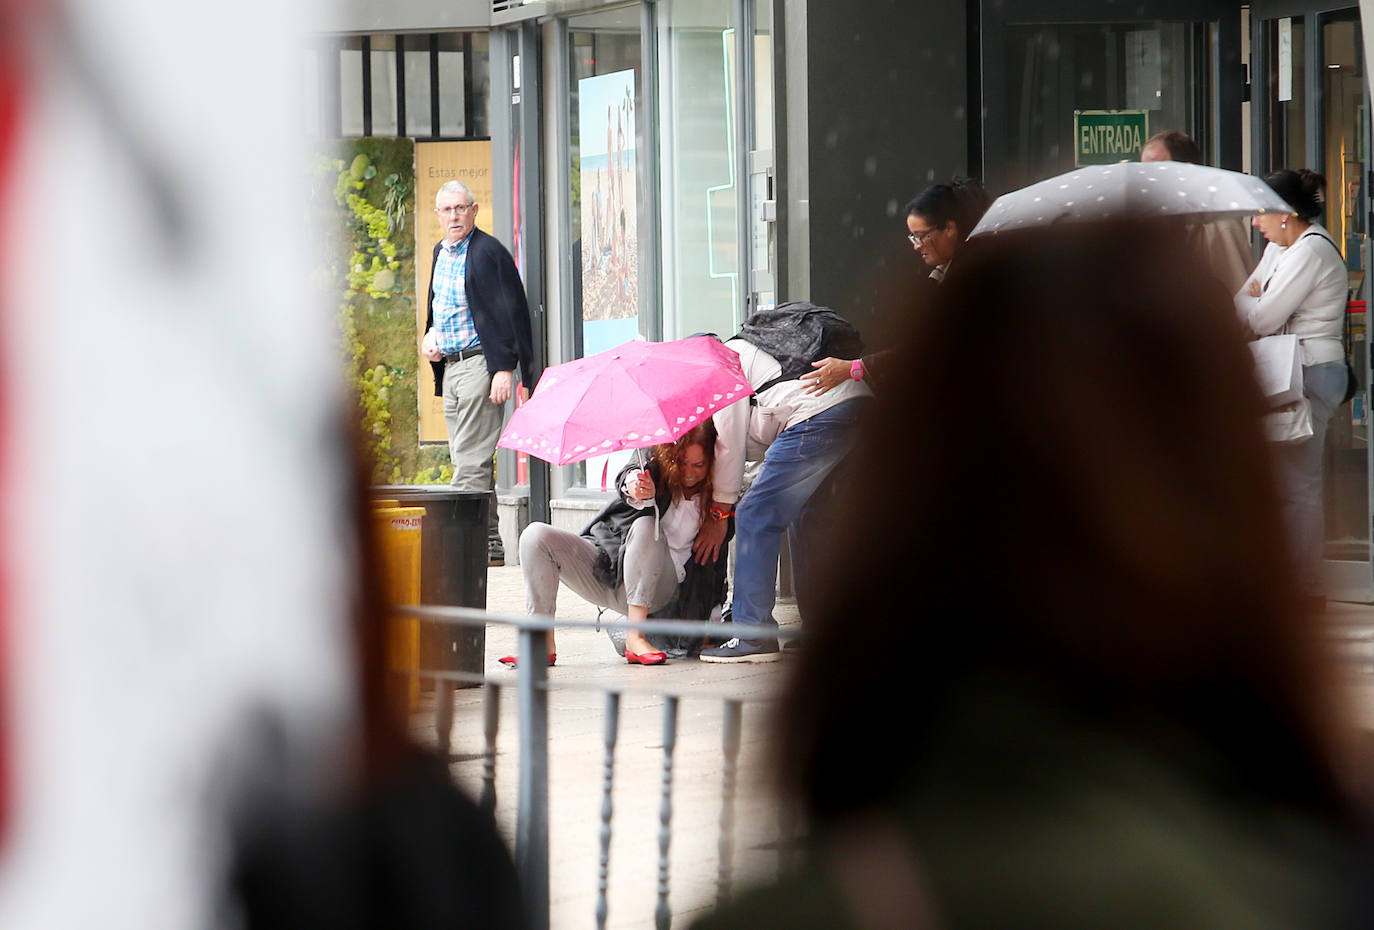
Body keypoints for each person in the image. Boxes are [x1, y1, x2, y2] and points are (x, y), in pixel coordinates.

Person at [692, 220, 1368, 930]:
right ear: (1239, 513)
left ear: (896, 517)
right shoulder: (1324, 880)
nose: (918, 245)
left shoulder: (810, 908)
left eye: (925, 233)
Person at [696, 332, 872, 663]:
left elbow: (731, 447)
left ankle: (753, 635)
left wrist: (719, 513)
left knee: (755, 514)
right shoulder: (747, 351)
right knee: (810, 517)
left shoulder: (718, 366)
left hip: (819, 416)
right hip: (856, 408)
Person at [511, 423, 727, 668]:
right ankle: (541, 642)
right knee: (535, 535)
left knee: (648, 527)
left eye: (698, 465)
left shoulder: (718, 507)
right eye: (682, 463)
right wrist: (636, 485)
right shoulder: (656, 466)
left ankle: (636, 636)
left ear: (712, 462)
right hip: (613, 569)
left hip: (659, 591)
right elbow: (631, 472)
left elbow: (714, 569)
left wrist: (711, 623)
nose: (688, 472)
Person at [1235, 169, 1349, 609]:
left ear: (1286, 213)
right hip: (1292, 373)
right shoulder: (1280, 249)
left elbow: (1260, 317)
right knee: (1286, 485)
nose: (1254, 222)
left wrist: (1255, 299)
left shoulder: (1310, 252)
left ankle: (1305, 589)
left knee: (1297, 486)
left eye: (1261, 212)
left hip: (1310, 374)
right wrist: (1254, 299)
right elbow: (1240, 301)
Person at [421, 179, 536, 567]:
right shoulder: (442, 251)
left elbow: (510, 310)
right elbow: (441, 306)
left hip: (479, 365)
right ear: (438, 215)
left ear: (474, 210)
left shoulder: (487, 253)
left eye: (460, 208)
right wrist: (430, 337)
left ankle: (456, 549)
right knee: (469, 457)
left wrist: (504, 367)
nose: (454, 215)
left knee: (469, 462)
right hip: (451, 367)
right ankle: (488, 542)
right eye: (447, 210)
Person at [801, 178, 988, 395]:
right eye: (913, 237)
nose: (917, 246)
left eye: (921, 236)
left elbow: (926, 351)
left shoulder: (971, 276)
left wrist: (853, 369)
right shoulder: (948, 272)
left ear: (949, 228)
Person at [1141, 129, 1253, 294]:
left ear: (1186, 170)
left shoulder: (1219, 222)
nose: (1148, 178)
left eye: (1157, 169)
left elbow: (1236, 289)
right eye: (1144, 170)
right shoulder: (1149, 218)